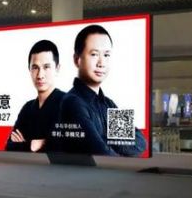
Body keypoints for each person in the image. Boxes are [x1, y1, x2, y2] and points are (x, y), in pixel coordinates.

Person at [59, 24, 146, 156]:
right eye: (94, 54)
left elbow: (140, 143)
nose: (101, 63)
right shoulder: (72, 102)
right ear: (77, 60)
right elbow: (103, 154)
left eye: (106, 55)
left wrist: (103, 139)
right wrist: (114, 140)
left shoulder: (108, 103)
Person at [5, 40, 65, 152]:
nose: (40, 75)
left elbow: (64, 150)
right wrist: (32, 145)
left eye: (46, 67)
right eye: (35, 67)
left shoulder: (70, 104)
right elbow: (9, 147)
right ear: (29, 69)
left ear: (57, 69)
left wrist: (24, 145)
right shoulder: (27, 108)